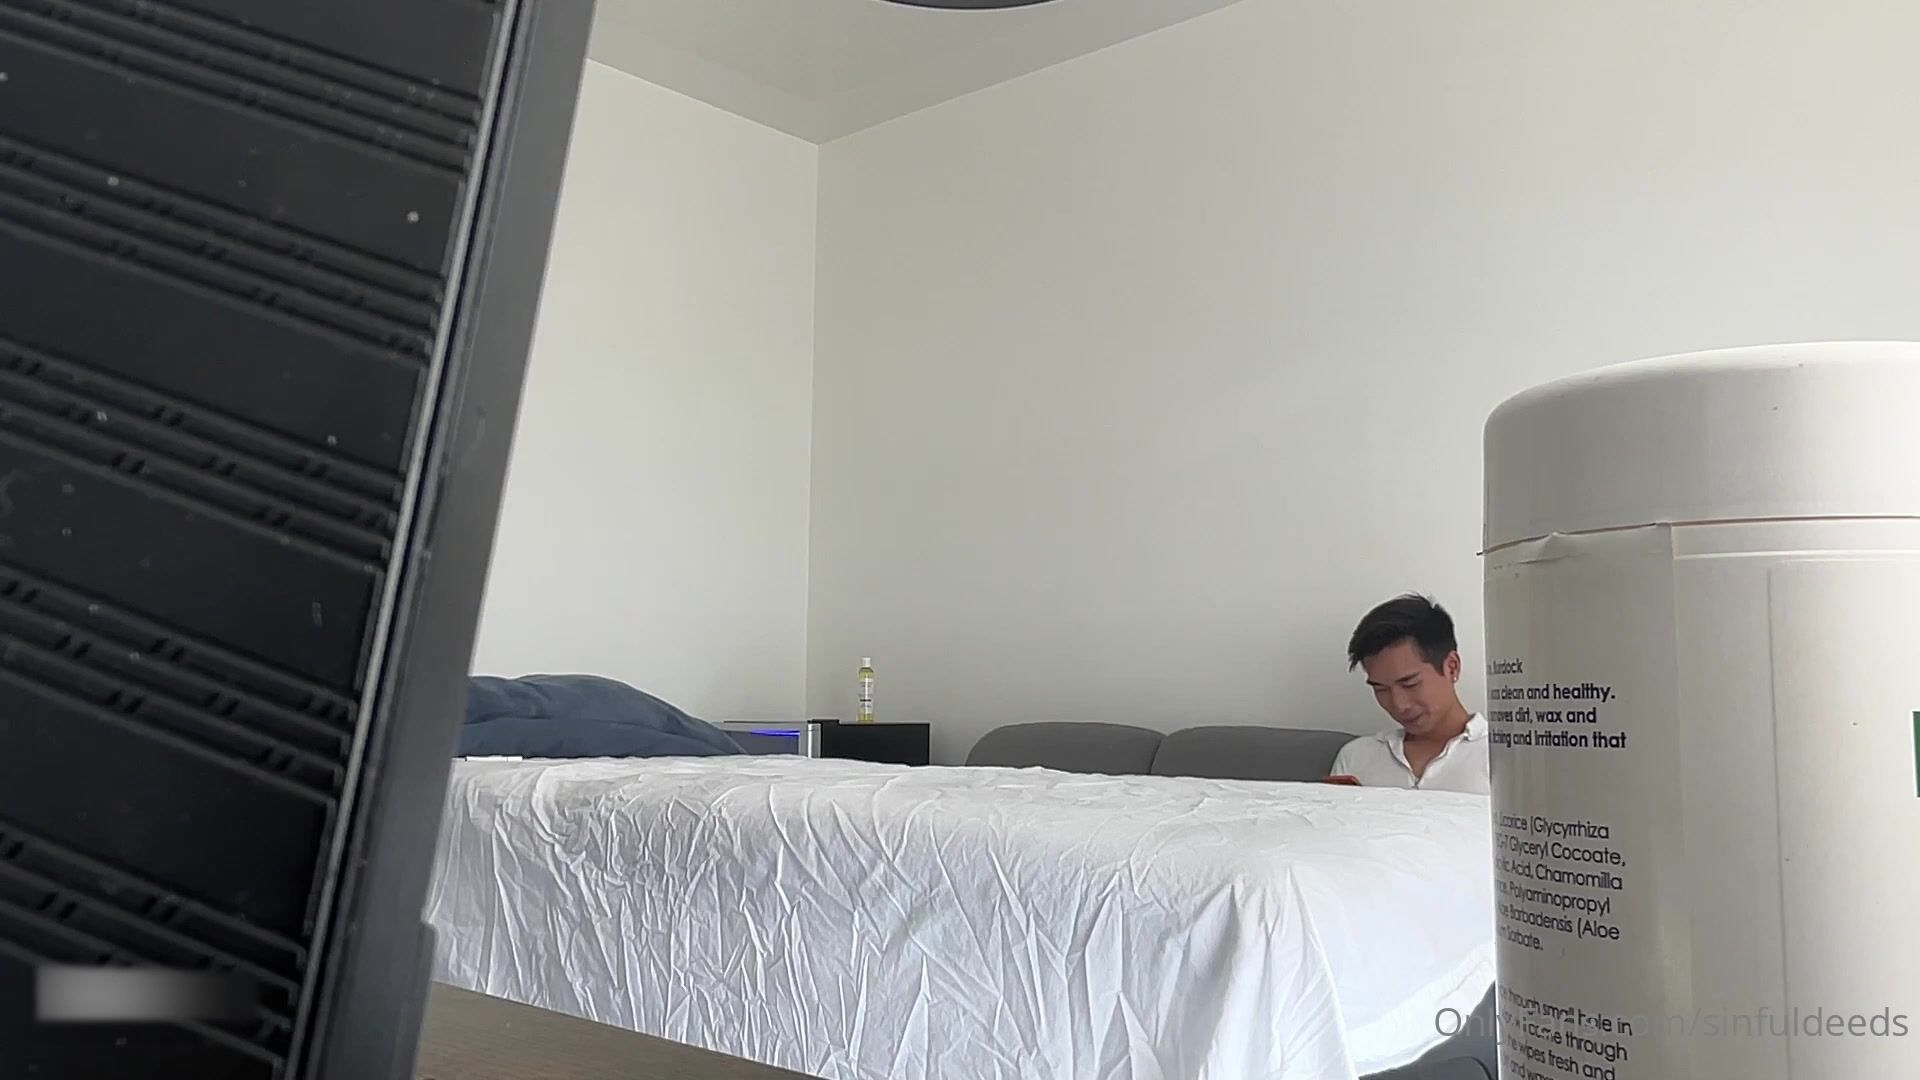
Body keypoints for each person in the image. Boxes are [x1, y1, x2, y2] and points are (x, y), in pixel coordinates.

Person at [1328, 594, 1489, 794]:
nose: (1399, 705)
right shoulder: (1356, 757)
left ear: (1451, 667)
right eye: (1380, 689)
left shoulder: (1501, 756)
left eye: (1410, 684)